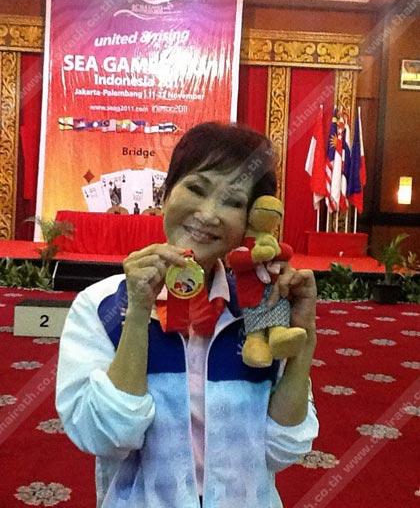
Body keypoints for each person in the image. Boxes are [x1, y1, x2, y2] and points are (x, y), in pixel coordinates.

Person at [56, 122, 319, 508]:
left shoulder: (260, 311)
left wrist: (304, 338)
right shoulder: (102, 306)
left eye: (232, 202)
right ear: (166, 193)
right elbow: (106, 436)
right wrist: (138, 313)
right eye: (196, 189)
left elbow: (283, 448)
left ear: (250, 221)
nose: (208, 214)